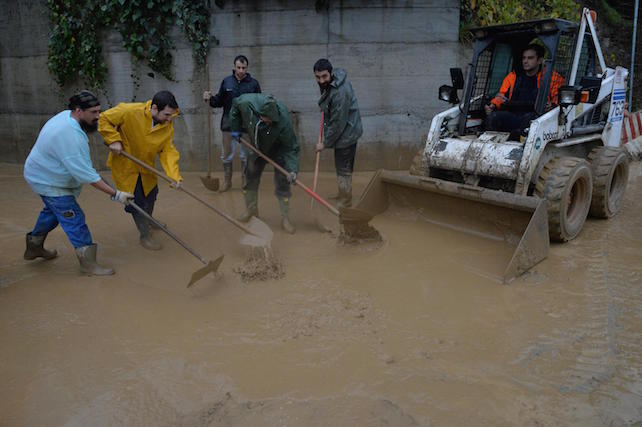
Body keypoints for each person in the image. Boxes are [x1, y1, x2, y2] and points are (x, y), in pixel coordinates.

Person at [23, 90, 133, 276]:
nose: (98, 116)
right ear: (78, 111)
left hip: (43, 172)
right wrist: (116, 194)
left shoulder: (67, 117)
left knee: (52, 212)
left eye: (99, 111)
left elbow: (86, 171)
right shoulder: (70, 136)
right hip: (49, 181)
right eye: (94, 113)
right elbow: (87, 176)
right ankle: (88, 265)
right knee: (74, 218)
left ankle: (34, 247)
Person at [98, 90, 182, 251]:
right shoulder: (129, 111)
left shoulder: (167, 125)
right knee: (137, 203)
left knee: (152, 194)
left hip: (146, 166)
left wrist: (174, 176)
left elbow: (167, 150)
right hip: (126, 166)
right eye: (167, 114)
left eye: (171, 115)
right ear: (155, 108)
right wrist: (114, 140)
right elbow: (104, 119)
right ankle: (145, 235)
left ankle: (149, 219)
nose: (170, 119)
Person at [228, 93, 300, 234]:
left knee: (283, 183)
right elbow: (234, 107)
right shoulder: (245, 102)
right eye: (264, 118)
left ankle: (285, 218)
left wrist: (292, 170)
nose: (266, 121)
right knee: (250, 178)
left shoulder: (284, 122)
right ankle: (251, 211)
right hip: (257, 147)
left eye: (269, 121)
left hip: (278, 150)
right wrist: (235, 127)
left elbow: (291, 148)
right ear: (258, 113)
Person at [203, 55, 261, 192]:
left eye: (244, 68)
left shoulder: (253, 84)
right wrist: (209, 98)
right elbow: (218, 101)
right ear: (234, 67)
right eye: (239, 67)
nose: (241, 70)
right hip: (228, 126)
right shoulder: (226, 82)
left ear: (247, 68)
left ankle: (245, 182)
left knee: (245, 156)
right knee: (227, 154)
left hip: (247, 127)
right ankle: (227, 182)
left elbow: (259, 104)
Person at [485, 44, 564, 138]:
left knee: (531, 121)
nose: (525, 61)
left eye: (530, 58)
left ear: (539, 60)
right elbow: (501, 96)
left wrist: (551, 106)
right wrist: (492, 105)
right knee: (493, 117)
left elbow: (558, 100)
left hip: (536, 116)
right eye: (524, 58)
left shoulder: (552, 78)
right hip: (514, 115)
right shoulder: (513, 76)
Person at [313, 58, 363, 208]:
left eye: (324, 77)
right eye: (318, 77)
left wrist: (324, 143)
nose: (321, 80)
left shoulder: (339, 93)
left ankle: (346, 200)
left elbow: (337, 124)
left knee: (343, 168)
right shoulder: (332, 83)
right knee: (341, 165)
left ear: (331, 73)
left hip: (347, 133)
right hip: (345, 129)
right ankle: (343, 194)